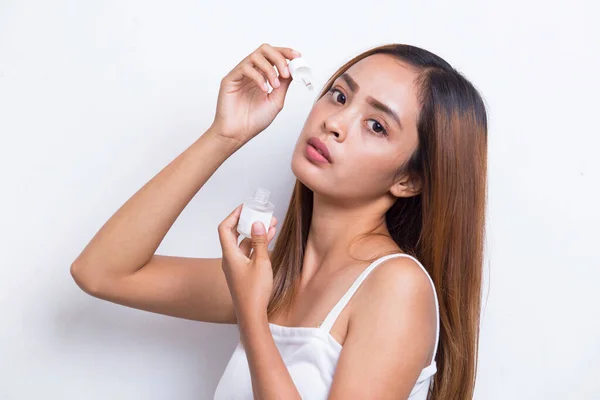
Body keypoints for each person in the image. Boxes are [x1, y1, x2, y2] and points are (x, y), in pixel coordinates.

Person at [71, 42, 488, 399]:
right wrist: (225, 135)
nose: (334, 122)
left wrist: (253, 315)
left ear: (409, 179)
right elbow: (101, 272)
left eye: (376, 125)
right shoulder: (276, 276)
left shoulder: (396, 287)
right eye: (340, 96)